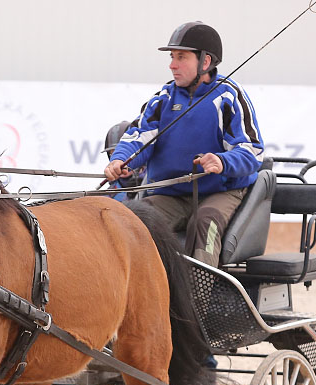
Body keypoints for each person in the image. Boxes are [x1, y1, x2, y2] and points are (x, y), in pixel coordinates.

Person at [104, 21, 265, 268]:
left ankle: (198, 301)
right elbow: (139, 136)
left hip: (220, 192)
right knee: (135, 217)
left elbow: (252, 151)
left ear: (206, 62)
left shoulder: (229, 96)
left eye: (181, 57)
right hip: (173, 194)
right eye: (171, 57)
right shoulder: (163, 99)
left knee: (205, 222)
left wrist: (222, 161)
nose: (172, 64)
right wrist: (121, 160)